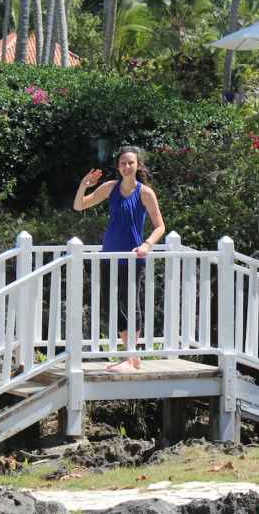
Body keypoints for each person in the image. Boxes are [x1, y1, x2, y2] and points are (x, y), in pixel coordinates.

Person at [73, 146, 165, 372]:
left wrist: (147, 245)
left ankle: (129, 356)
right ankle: (131, 357)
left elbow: (160, 226)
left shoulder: (145, 193)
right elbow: (79, 205)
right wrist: (84, 185)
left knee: (130, 303)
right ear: (118, 166)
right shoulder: (110, 188)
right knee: (110, 304)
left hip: (132, 256)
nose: (126, 166)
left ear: (138, 165)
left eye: (130, 162)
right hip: (109, 256)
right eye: (123, 163)